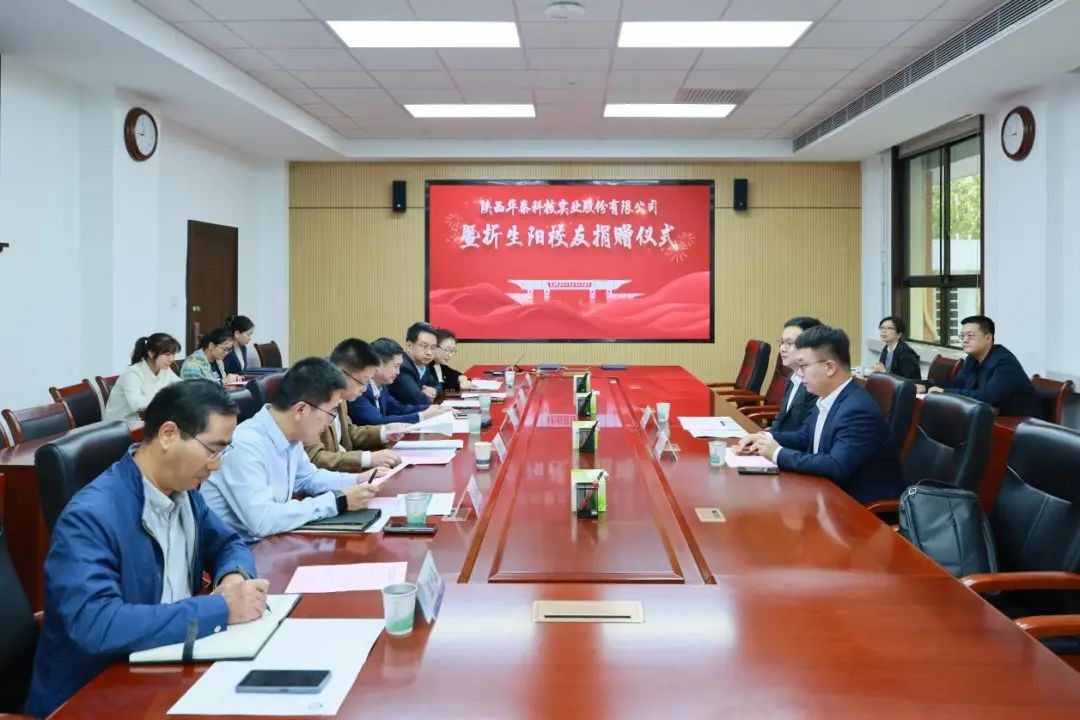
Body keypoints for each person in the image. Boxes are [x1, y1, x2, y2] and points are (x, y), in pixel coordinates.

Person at [25, 381, 266, 718]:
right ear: (168, 434)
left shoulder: (185, 493)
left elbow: (229, 543)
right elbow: (95, 624)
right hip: (95, 695)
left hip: (167, 670)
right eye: (213, 450)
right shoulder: (90, 517)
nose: (217, 466)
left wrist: (233, 577)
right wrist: (220, 609)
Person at [201, 357, 384, 543]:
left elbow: (308, 478)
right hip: (242, 552)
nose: (331, 423)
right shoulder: (245, 444)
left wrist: (358, 479)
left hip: (273, 543)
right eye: (330, 413)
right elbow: (262, 521)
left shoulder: (290, 437)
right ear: (300, 410)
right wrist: (337, 501)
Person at [735, 325, 904, 504]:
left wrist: (777, 453)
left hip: (855, 507)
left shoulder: (857, 410)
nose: (798, 373)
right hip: (823, 491)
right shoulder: (827, 396)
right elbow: (804, 437)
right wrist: (765, 438)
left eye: (803, 366)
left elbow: (836, 465)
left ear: (829, 367)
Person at [304, 338, 408, 472]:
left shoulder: (341, 397)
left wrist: (385, 431)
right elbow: (315, 458)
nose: (364, 389)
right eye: (364, 381)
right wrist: (368, 459)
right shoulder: (311, 399)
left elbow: (348, 432)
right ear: (342, 374)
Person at [918, 315, 1039, 417]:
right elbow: (957, 384)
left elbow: (989, 397)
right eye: (962, 336)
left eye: (970, 335)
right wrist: (927, 386)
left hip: (1020, 423)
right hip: (989, 416)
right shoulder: (972, 359)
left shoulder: (1004, 362)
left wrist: (945, 392)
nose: (965, 340)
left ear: (988, 338)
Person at [349, 338, 455, 426]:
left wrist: (435, 409)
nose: (398, 372)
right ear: (378, 364)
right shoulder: (359, 389)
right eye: (396, 366)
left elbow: (399, 409)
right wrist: (422, 416)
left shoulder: (382, 386)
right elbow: (377, 422)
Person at [103, 332, 182, 429]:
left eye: (173, 354)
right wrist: (166, 398)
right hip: (121, 426)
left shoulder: (164, 369)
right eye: (167, 354)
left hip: (144, 421)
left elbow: (182, 386)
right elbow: (136, 405)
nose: (171, 359)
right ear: (151, 353)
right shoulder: (132, 373)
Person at [771, 316, 822, 433]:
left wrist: (772, 439)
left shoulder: (816, 385)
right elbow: (781, 419)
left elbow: (805, 434)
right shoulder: (793, 376)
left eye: (789, 343)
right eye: (781, 342)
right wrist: (765, 435)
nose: (782, 349)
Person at [390, 321, 441, 406]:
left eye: (433, 348)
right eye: (424, 346)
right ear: (409, 346)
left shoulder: (424, 366)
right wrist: (424, 394)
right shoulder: (402, 367)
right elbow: (419, 400)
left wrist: (434, 391)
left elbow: (438, 385)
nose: (429, 353)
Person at [871, 316, 922, 381]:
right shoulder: (886, 348)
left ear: (899, 334)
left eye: (889, 328)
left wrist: (884, 371)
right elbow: (882, 368)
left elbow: (907, 380)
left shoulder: (905, 352)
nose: (884, 331)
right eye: (882, 328)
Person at [432, 328, 475, 392]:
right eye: (447, 350)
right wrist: (459, 386)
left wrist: (461, 377)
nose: (450, 355)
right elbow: (438, 387)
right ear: (434, 347)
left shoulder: (439, 364)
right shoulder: (426, 366)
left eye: (452, 351)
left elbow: (455, 374)